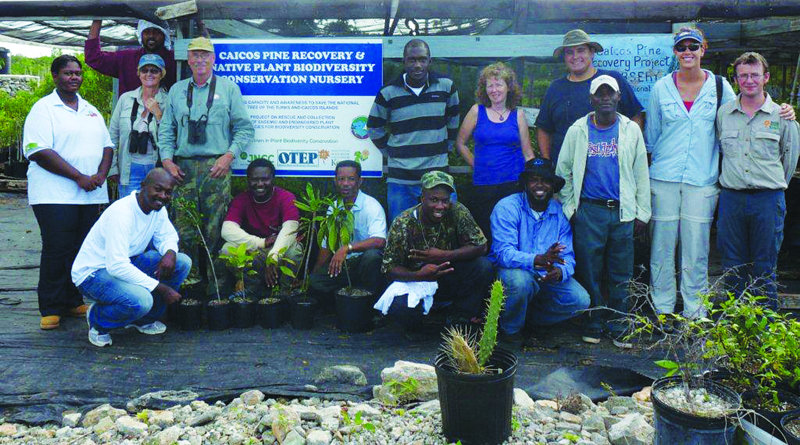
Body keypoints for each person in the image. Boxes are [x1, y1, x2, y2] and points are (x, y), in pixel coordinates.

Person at [646, 27, 795, 318]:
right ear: (675, 52)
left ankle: (694, 312)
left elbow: (740, 116)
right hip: (663, 178)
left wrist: (783, 110)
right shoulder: (660, 88)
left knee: (696, 248)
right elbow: (652, 137)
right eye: (681, 47)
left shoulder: (719, 86)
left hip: (702, 180)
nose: (687, 52)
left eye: (693, 46)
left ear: (703, 49)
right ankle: (662, 310)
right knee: (661, 246)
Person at [556, 75, 651, 347]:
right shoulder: (578, 130)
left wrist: (642, 213)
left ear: (619, 97)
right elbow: (563, 171)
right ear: (592, 99)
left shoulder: (630, 130)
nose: (605, 98)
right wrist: (571, 208)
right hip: (590, 210)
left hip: (622, 211)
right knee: (590, 271)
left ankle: (620, 324)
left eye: (611, 94)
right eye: (600, 94)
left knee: (621, 272)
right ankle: (594, 322)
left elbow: (640, 172)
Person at [22, 55, 114, 330]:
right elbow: (38, 151)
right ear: (55, 76)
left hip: (90, 193)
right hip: (54, 195)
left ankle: (73, 300)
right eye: (67, 73)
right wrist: (78, 177)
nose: (74, 77)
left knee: (81, 248)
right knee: (57, 247)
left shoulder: (90, 110)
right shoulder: (43, 109)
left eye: (77, 73)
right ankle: (50, 307)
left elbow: (107, 146)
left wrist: (100, 175)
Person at [159, 36, 255, 292]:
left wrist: (229, 156)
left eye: (205, 55)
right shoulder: (177, 90)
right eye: (195, 55)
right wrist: (167, 161)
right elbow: (166, 129)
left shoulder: (229, 88)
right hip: (183, 170)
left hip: (217, 168)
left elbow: (244, 128)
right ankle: (187, 286)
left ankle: (217, 287)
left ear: (213, 58)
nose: (200, 59)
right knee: (184, 229)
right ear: (188, 59)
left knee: (217, 229)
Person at [716, 52, 800, 308]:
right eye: (743, 76)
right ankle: (734, 323)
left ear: (766, 78)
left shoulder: (782, 116)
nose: (749, 80)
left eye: (755, 75)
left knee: (765, 266)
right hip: (732, 199)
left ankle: (765, 326)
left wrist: (770, 184)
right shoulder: (724, 114)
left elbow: (789, 159)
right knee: (732, 265)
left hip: (768, 200)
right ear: (736, 80)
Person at [72, 169, 191, 347]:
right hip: (93, 274)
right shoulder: (122, 213)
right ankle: (98, 320)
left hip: (124, 263)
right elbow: (116, 265)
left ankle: (143, 320)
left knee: (181, 262)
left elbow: (167, 235)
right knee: (142, 300)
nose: (162, 196)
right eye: (158, 189)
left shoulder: (157, 209)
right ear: (143, 186)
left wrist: (170, 252)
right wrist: (161, 288)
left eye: (168, 192)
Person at [491, 158, 590, 350]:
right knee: (519, 282)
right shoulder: (507, 207)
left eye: (545, 180)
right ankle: (510, 331)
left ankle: (530, 321)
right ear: (525, 184)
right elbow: (503, 253)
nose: (539, 185)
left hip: (546, 275)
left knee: (580, 300)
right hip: (514, 271)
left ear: (552, 186)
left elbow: (568, 256)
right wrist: (537, 259)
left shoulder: (559, 213)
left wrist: (560, 272)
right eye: (534, 180)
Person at [380, 171, 493, 335]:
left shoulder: (458, 211)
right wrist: (419, 275)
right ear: (422, 198)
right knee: (400, 306)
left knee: (483, 266)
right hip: (415, 280)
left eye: (445, 201)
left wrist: (444, 255)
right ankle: (416, 326)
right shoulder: (403, 222)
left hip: (449, 275)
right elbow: (389, 269)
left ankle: (460, 319)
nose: (440, 206)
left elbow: (481, 246)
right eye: (434, 200)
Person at [368, 39, 460, 220]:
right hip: (401, 180)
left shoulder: (446, 86)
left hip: (438, 176)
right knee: (401, 230)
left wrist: (445, 148)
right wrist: (393, 152)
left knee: (448, 229)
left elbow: (453, 121)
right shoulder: (388, 92)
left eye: (422, 59)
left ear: (429, 61)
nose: (417, 65)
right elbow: (373, 127)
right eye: (412, 60)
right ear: (404, 61)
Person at [536, 29, 644, 163]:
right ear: (564, 57)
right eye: (569, 52)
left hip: (610, 166)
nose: (575, 56)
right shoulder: (555, 88)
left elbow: (635, 116)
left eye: (581, 50)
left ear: (592, 53)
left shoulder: (612, 79)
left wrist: (631, 151)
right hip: (565, 167)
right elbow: (544, 128)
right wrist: (546, 162)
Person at [456, 62, 534, 240]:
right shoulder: (476, 111)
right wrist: (477, 164)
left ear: (509, 88)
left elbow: (528, 154)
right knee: (485, 233)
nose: (494, 90)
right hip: (484, 184)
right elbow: (461, 143)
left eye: (498, 84)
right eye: (489, 85)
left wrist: (535, 180)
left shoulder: (518, 115)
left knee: (512, 233)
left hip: (513, 184)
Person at [220, 158, 302, 295]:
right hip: (256, 249)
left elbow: (290, 229)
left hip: (278, 250)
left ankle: (284, 291)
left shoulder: (286, 197)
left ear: (273, 179)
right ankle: (252, 288)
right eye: (254, 179)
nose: (259, 184)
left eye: (265, 179)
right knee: (227, 250)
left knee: (294, 251)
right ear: (248, 180)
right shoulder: (241, 199)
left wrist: (273, 257)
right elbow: (227, 230)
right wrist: (261, 242)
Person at [310, 160, 387, 299]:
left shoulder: (372, 205)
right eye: (341, 179)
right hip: (344, 265)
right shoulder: (334, 207)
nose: (345, 183)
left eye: (351, 179)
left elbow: (380, 240)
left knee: (372, 256)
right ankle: (347, 295)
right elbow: (327, 245)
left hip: (364, 264)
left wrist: (347, 248)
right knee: (315, 282)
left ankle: (369, 300)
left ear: (360, 181)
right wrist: (314, 274)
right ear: (335, 181)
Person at [108, 54, 167, 198]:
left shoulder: (168, 101)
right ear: (138, 73)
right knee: (129, 208)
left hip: (156, 168)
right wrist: (112, 168)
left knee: (155, 207)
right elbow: (112, 135)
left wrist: (158, 114)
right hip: (129, 167)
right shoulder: (125, 99)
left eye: (154, 71)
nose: (149, 74)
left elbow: (171, 137)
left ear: (162, 74)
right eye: (144, 70)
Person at [85, 19, 177, 95]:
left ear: (164, 35)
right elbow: (93, 57)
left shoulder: (176, 60)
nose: (151, 36)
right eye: (147, 32)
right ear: (141, 34)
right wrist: (98, 18)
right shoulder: (126, 58)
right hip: (130, 111)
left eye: (156, 32)